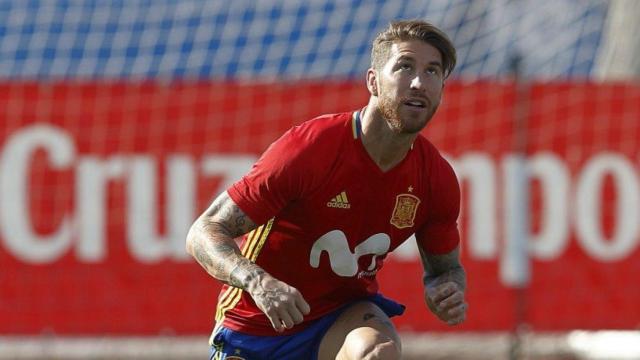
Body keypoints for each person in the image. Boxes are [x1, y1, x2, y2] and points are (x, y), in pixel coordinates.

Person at [186, 19, 467, 360]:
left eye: (433, 71)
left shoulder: (436, 178)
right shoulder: (311, 148)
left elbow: (445, 270)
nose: (420, 82)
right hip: (259, 325)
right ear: (373, 82)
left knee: (378, 351)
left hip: (340, 316)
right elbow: (204, 231)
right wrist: (258, 282)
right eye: (405, 67)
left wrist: (447, 291)